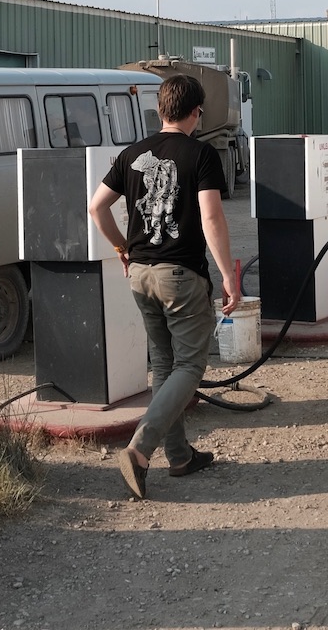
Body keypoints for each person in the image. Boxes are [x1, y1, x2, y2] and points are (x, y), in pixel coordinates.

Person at [88, 74, 238, 500]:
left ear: (160, 109)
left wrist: (121, 247)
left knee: (164, 364)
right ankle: (140, 449)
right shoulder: (202, 154)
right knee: (190, 367)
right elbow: (211, 219)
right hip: (181, 277)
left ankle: (179, 456)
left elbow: (96, 206)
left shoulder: (133, 153)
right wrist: (228, 275)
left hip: (140, 274)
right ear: (197, 112)